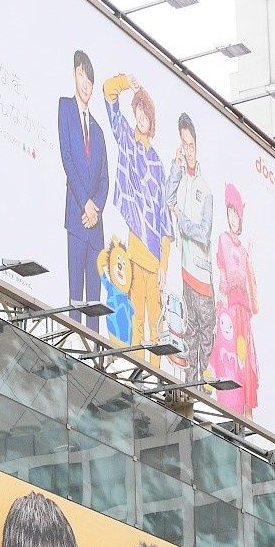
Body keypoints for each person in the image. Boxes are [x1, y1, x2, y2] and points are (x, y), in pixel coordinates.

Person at [98, 73, 169, 346]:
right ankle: (139, 372)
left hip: (154, 254)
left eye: (146, 113)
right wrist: (126, 82)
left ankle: (159, 380)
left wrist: (164, 264)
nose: (141, 117)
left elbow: (164, 220)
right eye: (138, 110)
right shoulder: (127, 138)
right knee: (137, 318)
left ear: (151, 120)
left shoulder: (157, 164)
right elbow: (107, 93)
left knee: (157, 325)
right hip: (135, 248)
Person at [163, 112, 216, 375]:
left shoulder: (205, 190)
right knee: (190, 332)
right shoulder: (181, 178)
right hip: (185, 274)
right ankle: (192, 383)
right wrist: (175, 163)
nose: (188, 150)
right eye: (183, 145)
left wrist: (182, 221)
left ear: (197, 146)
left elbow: (204, 233)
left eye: (191, 145)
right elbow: (166, 197)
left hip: (202, 277)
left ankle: (200, 380)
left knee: (207, 333)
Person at [58, 50, 110, 307]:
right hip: (77, 218)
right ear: (75, 74)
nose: (86, 84)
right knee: (76, 297)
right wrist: (85, 204)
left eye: (90, 78)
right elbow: (67, 158)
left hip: (95, 226)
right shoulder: (65, 107)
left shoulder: (99, 131)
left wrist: (96, 210)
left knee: (95, 301)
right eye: (82, 75)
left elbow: (105, 180)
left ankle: (95, 347)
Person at [209, 185, 258, 416]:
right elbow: (222, 273)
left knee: (245, 358)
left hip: (243, 313)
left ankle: (247, 411)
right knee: (230, 357)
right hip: (229, 308)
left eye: (236, 213)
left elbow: (251, 284)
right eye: (229, 213)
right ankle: (232, 406)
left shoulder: (245, 249)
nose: (233, 218)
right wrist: (222, 305)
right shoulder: (223, 240)